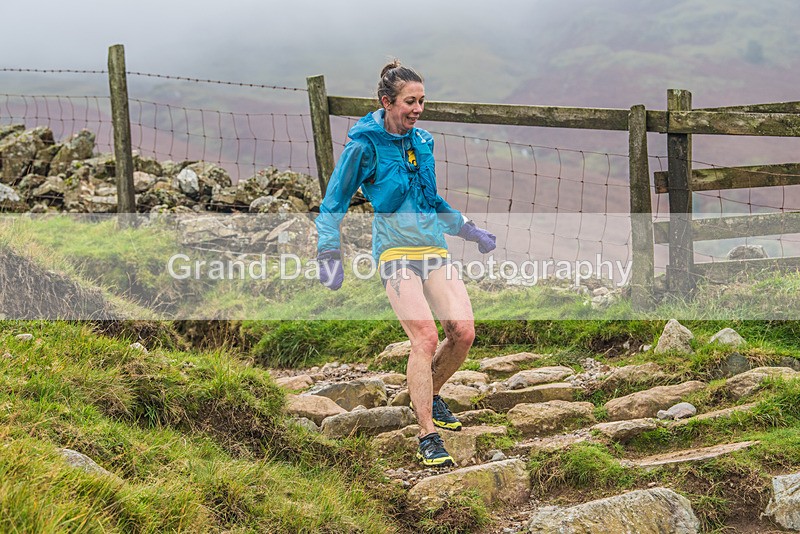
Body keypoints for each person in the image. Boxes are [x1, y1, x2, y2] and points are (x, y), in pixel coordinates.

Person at [314, 60, 496, 467]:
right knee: (425, 339)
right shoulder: (363, 147)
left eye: (422, 101)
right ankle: (427, 435)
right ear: (387, 102)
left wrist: (469, 229)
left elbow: (432, 200)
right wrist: (328, 251)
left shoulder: (423, 142)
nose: (417, 109)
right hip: (395, 252)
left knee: (463, 332)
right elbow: (333, 204)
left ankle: (428, 392)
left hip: (432, 246)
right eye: (410, 102)